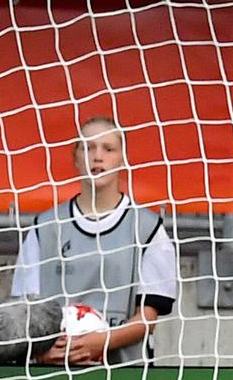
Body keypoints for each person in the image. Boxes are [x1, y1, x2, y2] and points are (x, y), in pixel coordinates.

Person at [10, 116, 178, 366]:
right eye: (88, 147)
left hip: (126, 379)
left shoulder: (148, 229)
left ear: (122, 159)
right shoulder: (45, 228)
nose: (97, 157)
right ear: (75, 158)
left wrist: (101, 341)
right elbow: (22, 313)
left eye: (108, 149)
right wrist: (39, 352)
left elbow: (147, 318)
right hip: (53, 375)